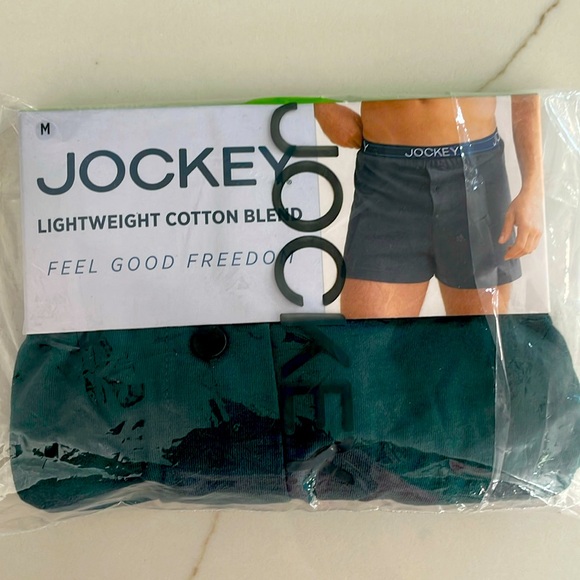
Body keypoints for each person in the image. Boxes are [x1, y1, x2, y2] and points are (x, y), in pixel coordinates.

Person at [314, 96, 544, 318]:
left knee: (479, 340)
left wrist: (533, 188)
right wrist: (321, 106)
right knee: (366, 341)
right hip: (387, 178)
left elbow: (526, 84)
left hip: (477, 176)